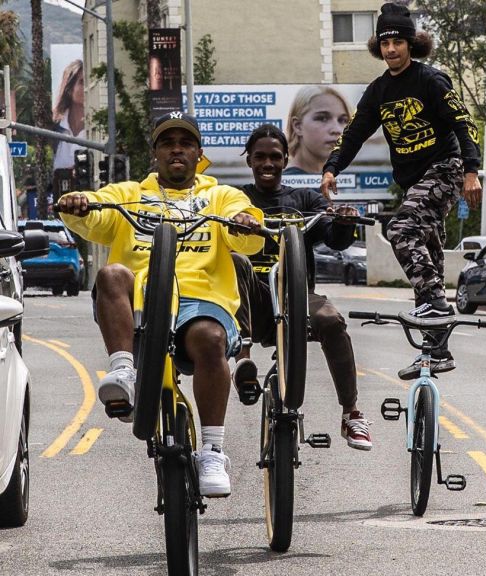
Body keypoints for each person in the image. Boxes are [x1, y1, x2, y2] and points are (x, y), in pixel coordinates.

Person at [56, 111, 265, 498]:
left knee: (210, 338)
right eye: (168, 143)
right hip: (140, 305)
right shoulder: (131, 194)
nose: (177, 150)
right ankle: (125, 374)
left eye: (185, 143)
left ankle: (214, 451)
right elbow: (96, 206)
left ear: (198, 153)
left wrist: (242, 222)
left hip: (199, 303)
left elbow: (248, 229)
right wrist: (78, 202)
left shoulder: (219, 195)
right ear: (155, 153)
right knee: (111, 274)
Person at [321, 2, 482, 377]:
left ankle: (437, 308)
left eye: (398, 42)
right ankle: (435, 352)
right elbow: (354, 133)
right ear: (379, 47)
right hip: (414, 183)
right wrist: (331, 168)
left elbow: (463, 125)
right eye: (385, 43)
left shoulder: (431, 81)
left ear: (411, 44)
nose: (391, 50)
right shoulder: (378, 91)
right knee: (428, 265)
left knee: (401, 230)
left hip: (445, 169)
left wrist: (471, 172)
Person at [231, 124, 373, 451]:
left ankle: (351, 413)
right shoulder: (236, 199)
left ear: (285, 160)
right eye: (260, 157)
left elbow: (334, 239)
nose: (268, 163)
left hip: (296, 297)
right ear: (249, 161)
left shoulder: (304, 199)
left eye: (275, 157)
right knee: (239, 262)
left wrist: (344, 222)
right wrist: (238, 219)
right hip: (252, 299)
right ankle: (244, 363)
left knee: (332, 320)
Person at [284, 86, 351, 175]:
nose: (337, 129)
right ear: (298, 126)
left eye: (343, 120)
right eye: (322, 118)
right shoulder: (284, 184)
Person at [52, 59, 85, 170]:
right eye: (82, 82)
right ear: (70, 89)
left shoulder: (98, 128)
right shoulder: (53, 128)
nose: (86, 87)